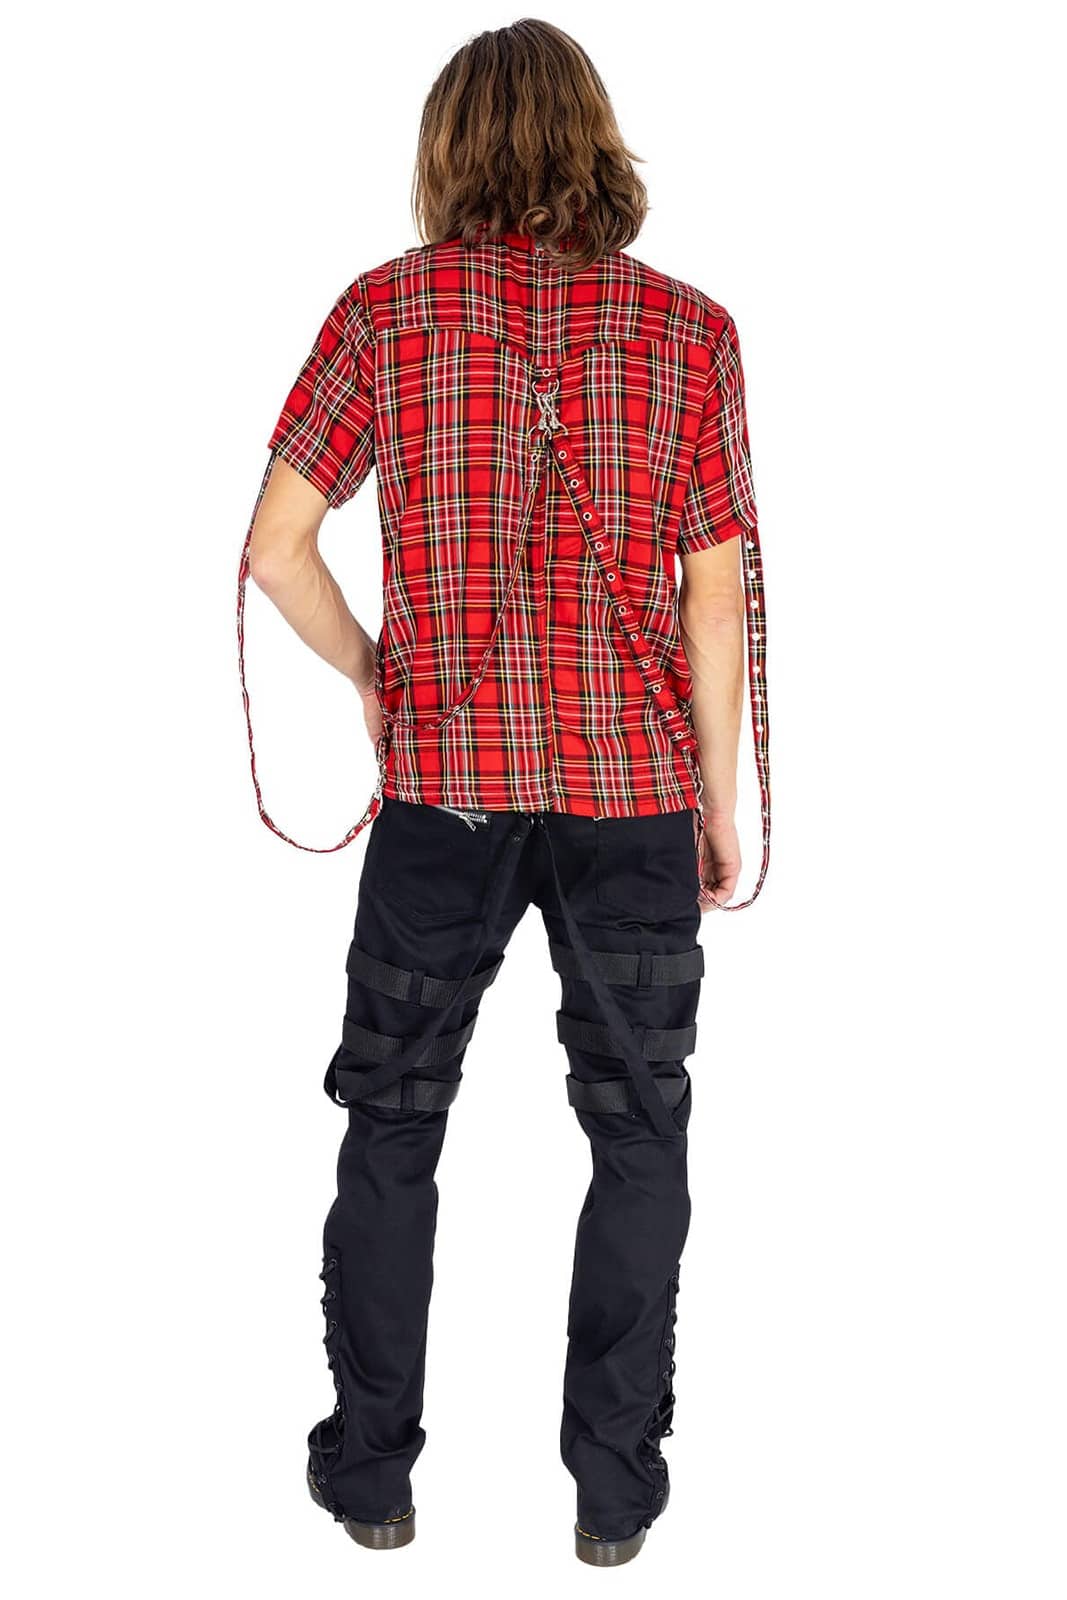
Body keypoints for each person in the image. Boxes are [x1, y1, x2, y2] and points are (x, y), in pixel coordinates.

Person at [237, 18, 770, 1568]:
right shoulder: (692, 332)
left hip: (442, 802)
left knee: (393, 1127)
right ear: (597, 140)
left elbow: (273, 548)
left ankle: (370, 1479)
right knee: (640, 1135)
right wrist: (717, 801)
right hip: (631, 801)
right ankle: (615, 1493)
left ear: (447, 148)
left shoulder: (381, 313)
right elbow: (716, 598)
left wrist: (373, 674)